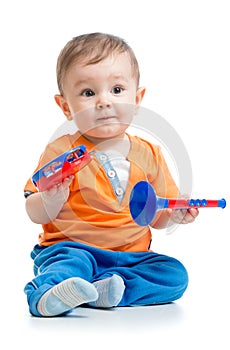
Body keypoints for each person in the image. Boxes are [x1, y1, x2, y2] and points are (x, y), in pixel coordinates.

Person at [24, 32, 199, 317]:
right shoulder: (61, 151)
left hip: (132, 258)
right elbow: (33, 209)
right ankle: (45, 296)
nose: (104, 101)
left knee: (174, 275)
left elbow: (156, 215)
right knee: (68, 265)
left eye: (117, 90)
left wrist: (175, 214)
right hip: (73, 248)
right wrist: (50, 199)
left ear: (137, 98)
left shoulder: (150, 154)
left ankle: (107, 291)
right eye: (88, 93)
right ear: (66, 107)